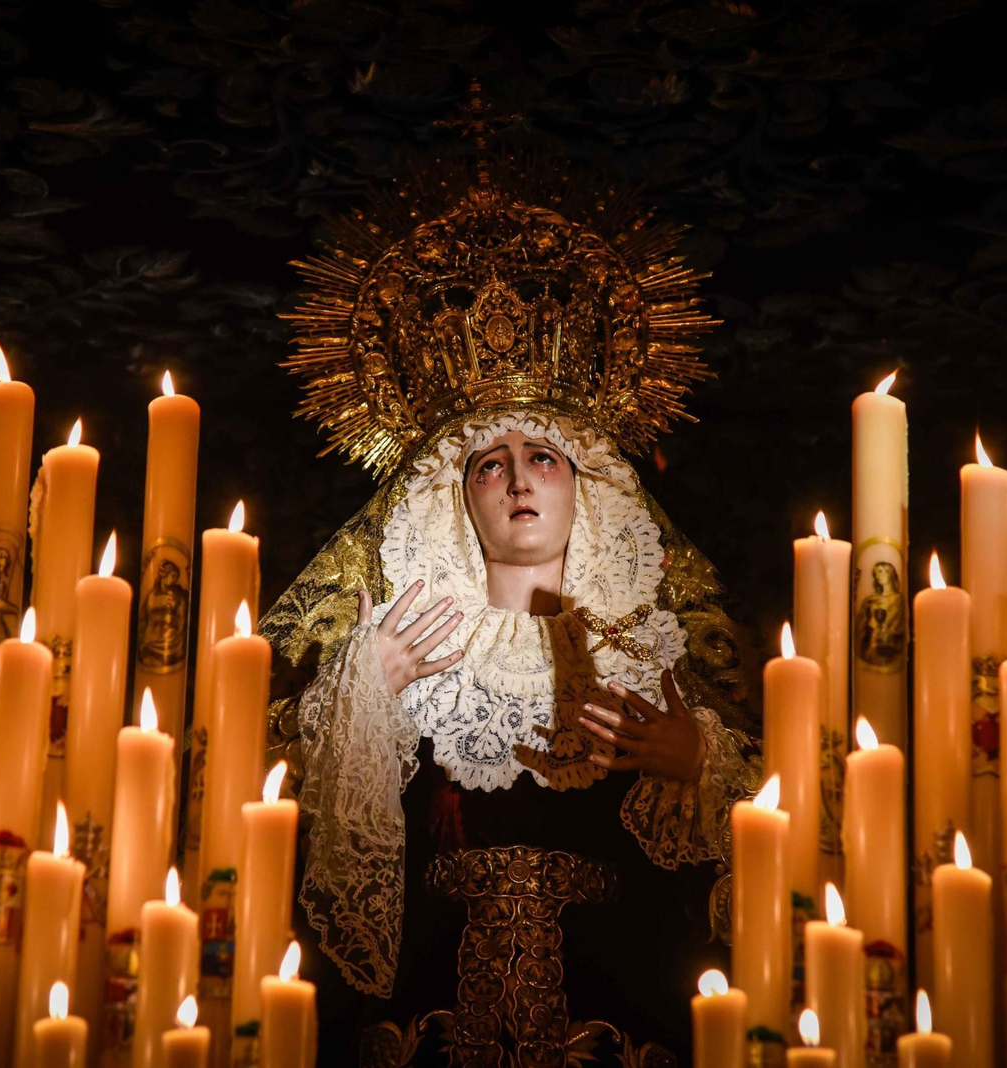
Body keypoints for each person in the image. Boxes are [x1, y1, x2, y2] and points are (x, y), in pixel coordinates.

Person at [262, 155, 759, 1065]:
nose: (520, 477)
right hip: (427, 1020)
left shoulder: (655, 654)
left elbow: (773, 831)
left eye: (545, 456)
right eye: (489, 462)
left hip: (621, 1010)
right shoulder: (398, 648)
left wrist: (701, 765)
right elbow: (307, 842)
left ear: (589, 488)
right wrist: (362, 696)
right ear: (456, 498)